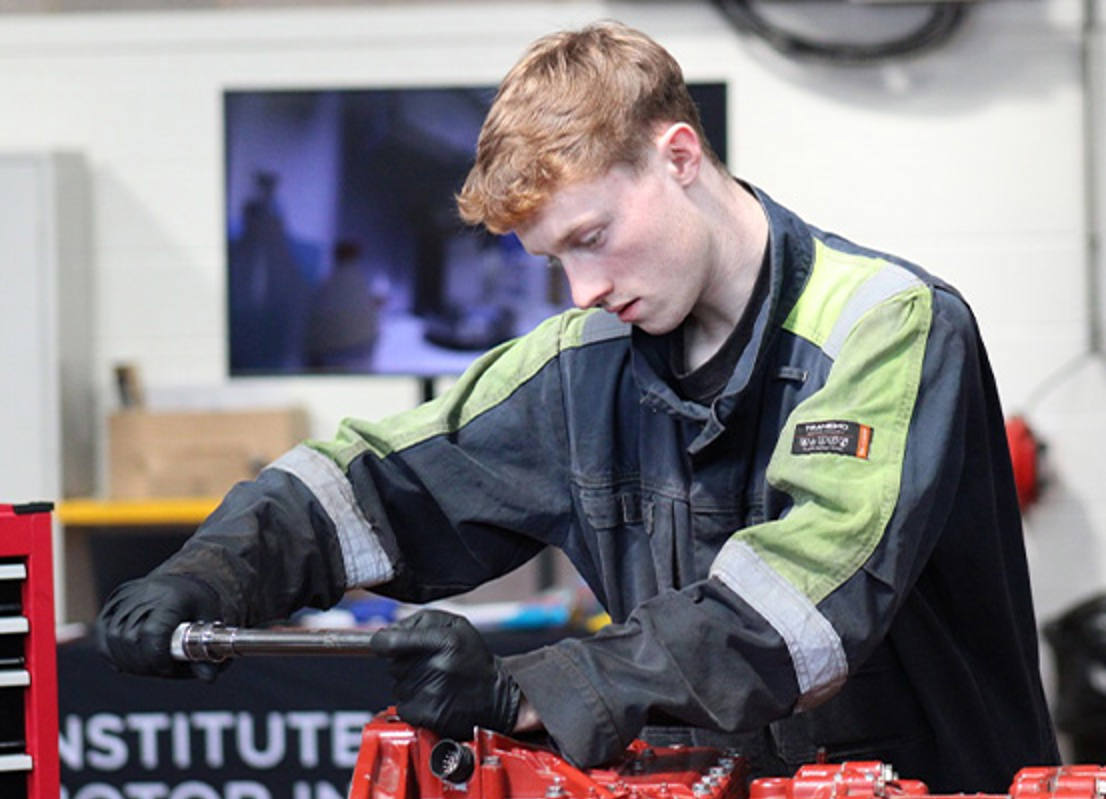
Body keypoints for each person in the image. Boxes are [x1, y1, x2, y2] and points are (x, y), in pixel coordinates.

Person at [96, 20, 1059, 793]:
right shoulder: (583, 365)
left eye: (592, 236)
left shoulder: (883, 326)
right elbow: (380, 482)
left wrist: (534, 688)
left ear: (678, 155)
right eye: (555, 258)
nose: (583, 290)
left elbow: (803, 610)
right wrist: (213, 573)